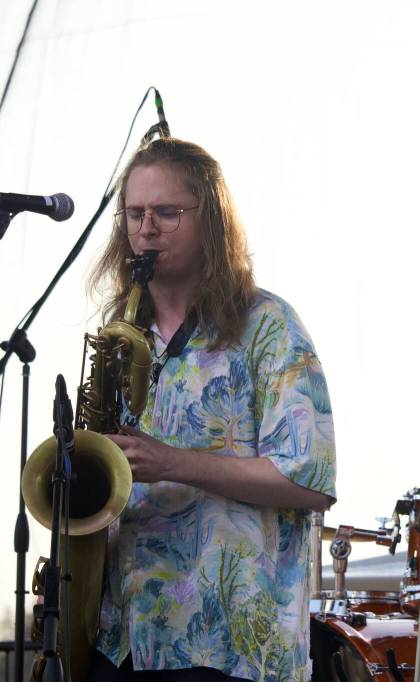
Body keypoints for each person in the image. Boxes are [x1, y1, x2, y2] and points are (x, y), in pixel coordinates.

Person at [86, 137, 337, 681]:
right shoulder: (120, 331)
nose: (146, 229)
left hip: (230, 646)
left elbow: (309, 479)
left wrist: (173, 462)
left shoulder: (269, 325)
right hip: (124, 637)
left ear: (211, 222)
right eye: (134, 213)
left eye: (166, 212)